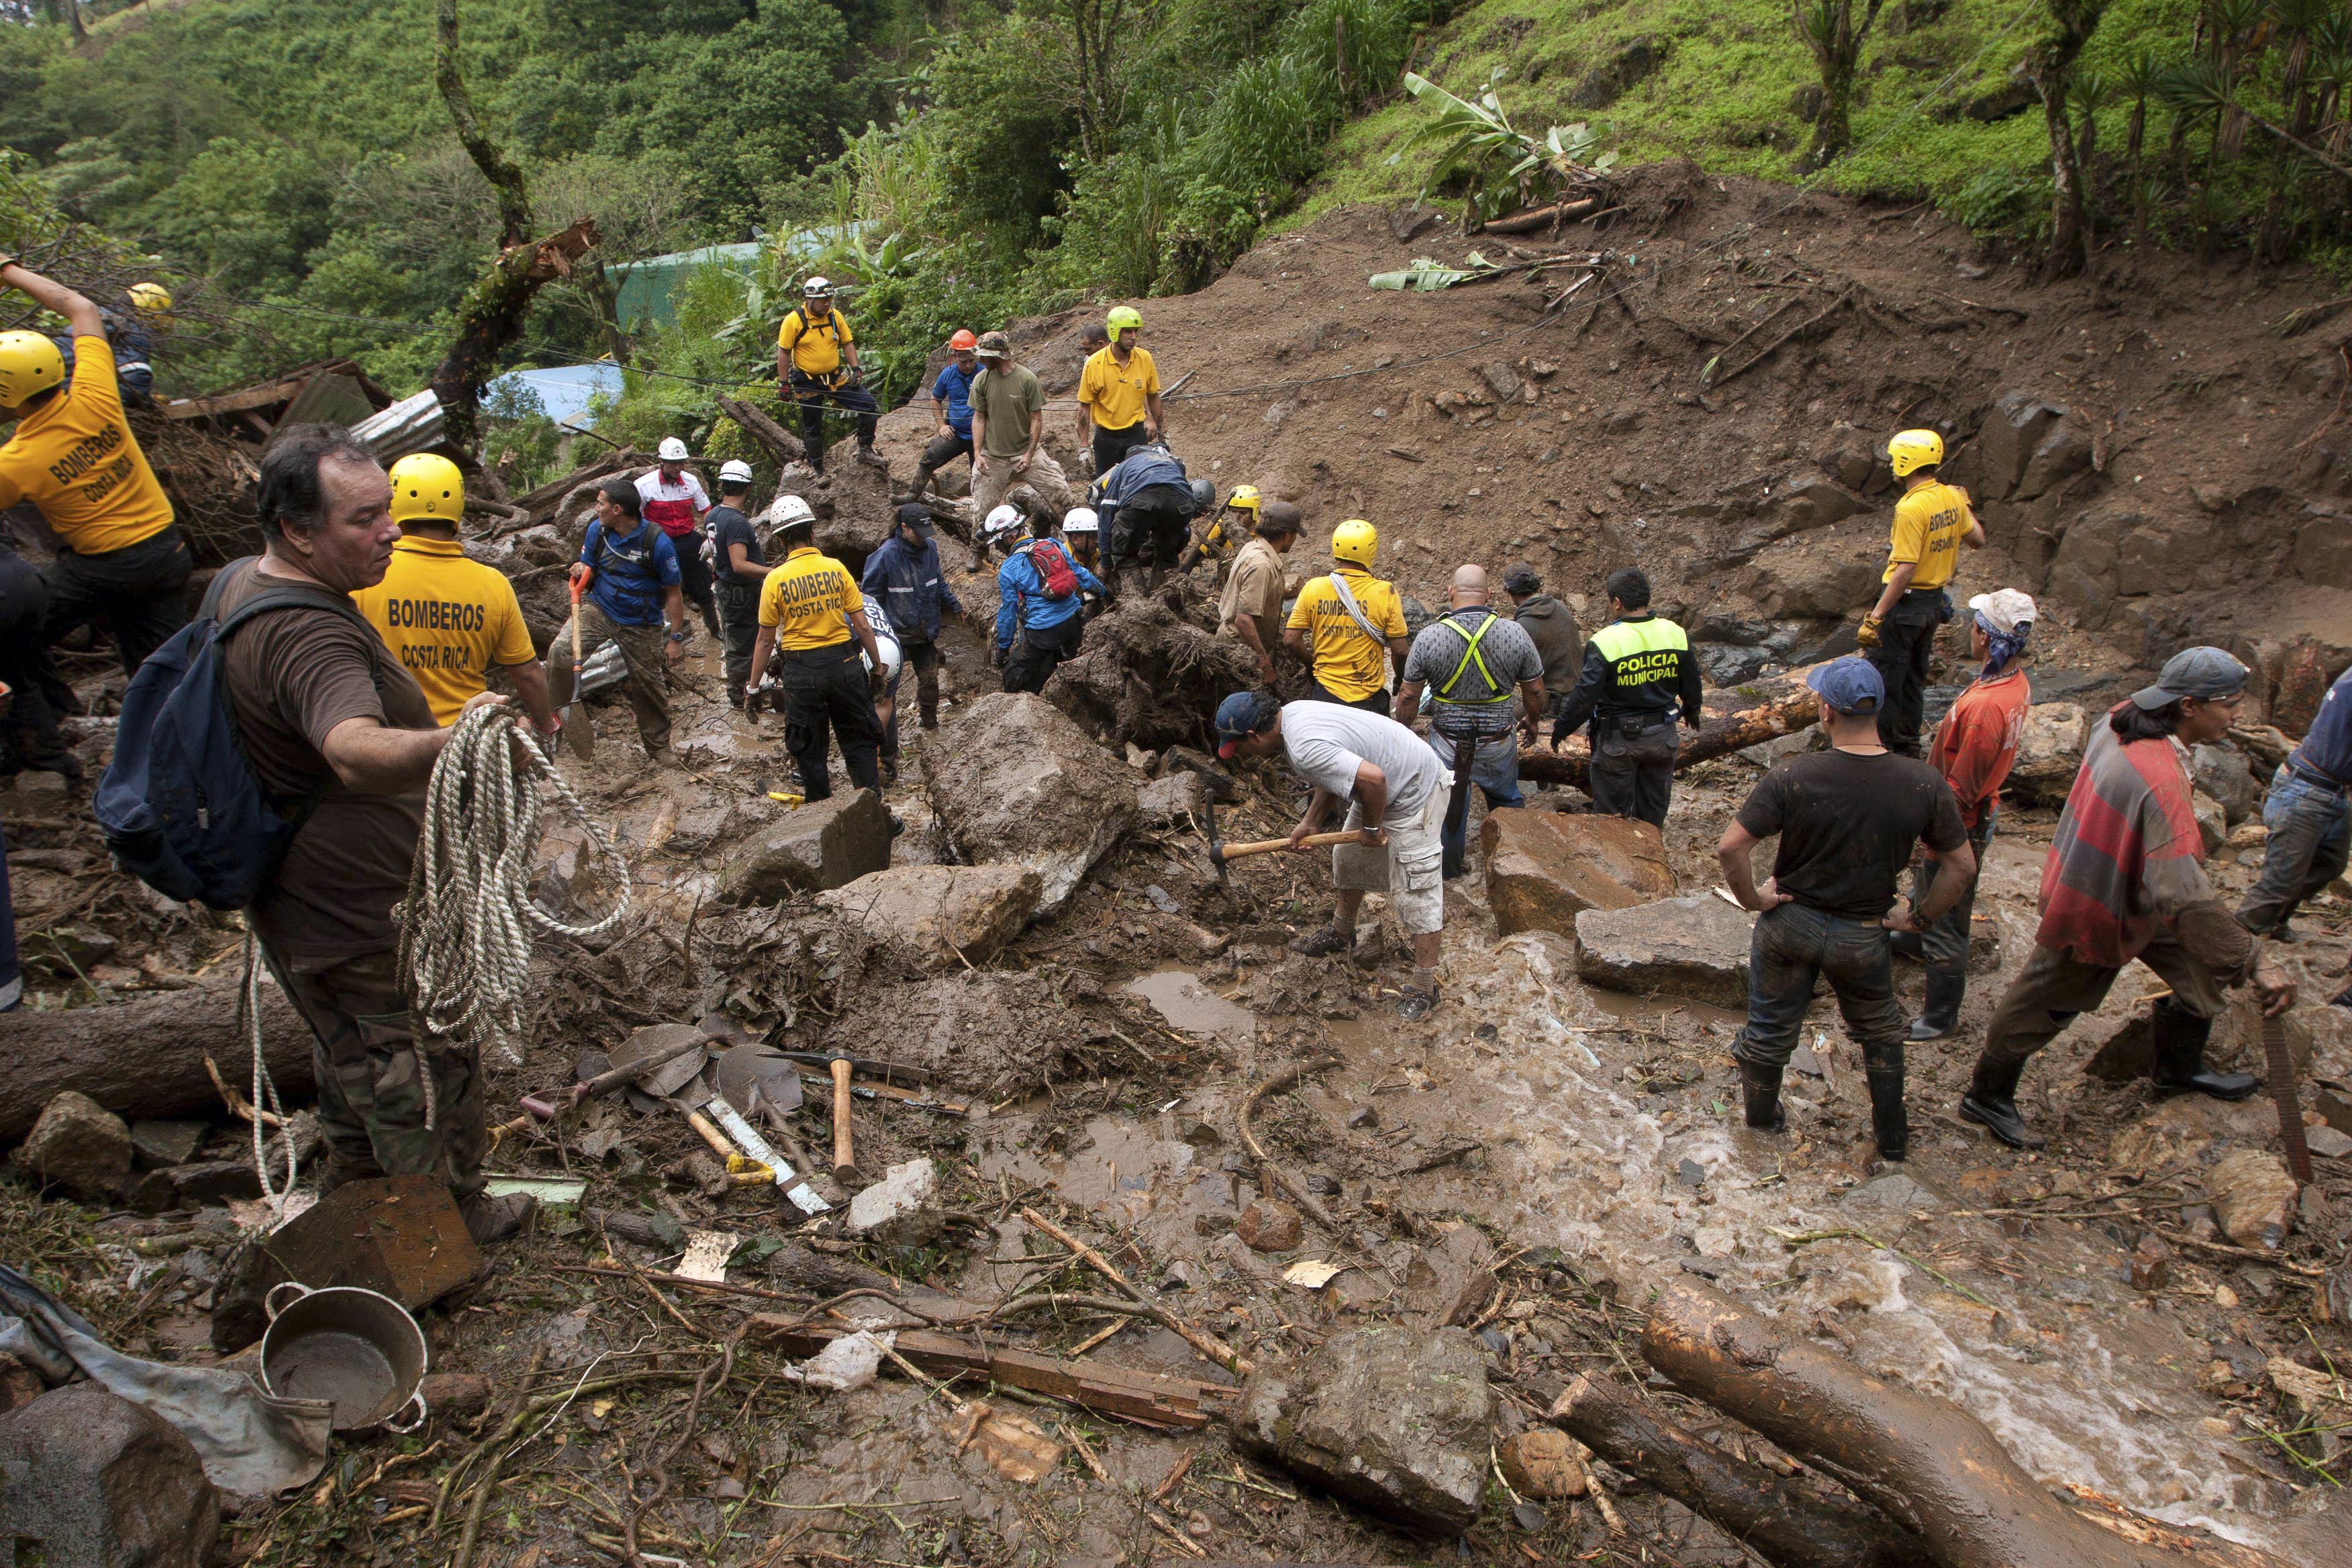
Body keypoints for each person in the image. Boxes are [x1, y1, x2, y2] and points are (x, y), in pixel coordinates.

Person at [222, 424, 531, 1242]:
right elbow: (352, 750)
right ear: (298, 530)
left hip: (305, 904)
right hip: (359, 915)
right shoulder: (309, 633)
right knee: (421, 1070)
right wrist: (455, 736)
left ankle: (358, 1197)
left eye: (388, 511)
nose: (389, 530)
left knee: (352, 1055)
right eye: (364, 518)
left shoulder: (240, 586)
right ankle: (439, 1240)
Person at [1961, 648, 2298, 1148]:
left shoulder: (2122, 718)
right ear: (2188, 706)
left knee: (2202, 969)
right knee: (2043, 1001)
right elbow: (2184, 896)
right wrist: (2255, 959)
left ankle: (2177, 1070)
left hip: (2133, 886)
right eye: (2228, 704)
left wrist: (2230, 955)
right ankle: (1987, 1095)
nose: (2237, 715)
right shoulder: (2158, 779)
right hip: (2096, 899)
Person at [1717, 658, 1975, 1162]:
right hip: (1863, 932)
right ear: (1877, 710)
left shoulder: (1793, 775)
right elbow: (1960, 868)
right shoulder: (1922, 783)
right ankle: (1892, 1140)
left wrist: (1755, 900)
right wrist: (1918, 919)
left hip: (1790, 923)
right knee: (1880, 1031)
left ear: (1826, 711)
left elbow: (1731, 849)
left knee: (1769, 1031)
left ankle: (1761, 1125)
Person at [0, 256, 193, 689]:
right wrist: (8, 271)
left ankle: (41, 726)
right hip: (167, 550)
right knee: (163, 676)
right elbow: (81, 308)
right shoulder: (96, 391)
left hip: (104, 568)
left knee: (15, 625)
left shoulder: (16, 462)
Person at [1216, 691, 1451, 1019]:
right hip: (1388, 783)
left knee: (1417, 890)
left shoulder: (1303, 747)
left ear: (1254, 736)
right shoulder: (1291, 714)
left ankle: (1426, 987)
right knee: (1348, 859)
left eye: (1240, 747)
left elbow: (1373, 779)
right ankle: (1342, 933)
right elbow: (1333, 773)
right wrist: (1310, 821)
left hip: (1416, 790)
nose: (1244, 754)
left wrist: (1370, 829)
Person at [1901, 588, 2036, 1040]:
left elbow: (1961, 788)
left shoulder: (1984, 710)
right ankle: (1911, 935)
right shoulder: (2009, 681)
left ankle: (1939, 1017)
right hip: (1974, 809)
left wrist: (1931, 829)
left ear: (1985, 635)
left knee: (1948, 917)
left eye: (1975, 624)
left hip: (1963, 818)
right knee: (1929, 886)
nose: (1969, 630)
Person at [350, 453, 558, 741]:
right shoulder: (492, 584)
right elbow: (527, 674)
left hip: (391, 743)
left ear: (392, 504)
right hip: (470, 740)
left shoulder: (363, 579)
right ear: (457, 506)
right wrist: (546, 726)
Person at [1396, 565, 1546, 879]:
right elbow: (1534, 688)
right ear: (1489, 595)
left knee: (1449, 808)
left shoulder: (1429, 636)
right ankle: (1519, 868)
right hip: (1498, 740)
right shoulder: (1514, 632)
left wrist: (1404, 730)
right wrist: (1533, 721)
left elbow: (1409, 696)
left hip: (1448, 742)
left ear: (1451, 593)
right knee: (1506, 799)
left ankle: (1449, 874)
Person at [743, 505, 885, 802]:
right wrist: (876, 669)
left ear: (781, 541)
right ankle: (874, 811)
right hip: (844, 667)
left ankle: (821, 819)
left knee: (809, 750)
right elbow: (862, 625)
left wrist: (753, 688)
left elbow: (764, 641)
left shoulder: (775, 580)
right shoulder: (836, 568)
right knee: (859, 742)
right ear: (812, 531)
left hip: (801, 673)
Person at [1859, 429, 1984, 756]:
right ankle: (1909, 747)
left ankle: (1881, 752)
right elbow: (1978, 540)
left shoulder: (1911, 508)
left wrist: (1877, 616)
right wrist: (1964, 507)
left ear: (1905, 463)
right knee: (1914, 680)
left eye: (1893, 460)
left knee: (1885, 681)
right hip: (1933, 605)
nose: (1890, 466)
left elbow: (1904, 569)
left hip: (1907, 605)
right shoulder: (1951, 497)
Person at [1551, 568, 1703, 828]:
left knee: (1613, 822)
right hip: (1662, 737)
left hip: (1619, 742)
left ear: (1617, 602)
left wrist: (1561, 729)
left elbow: (1585, 697)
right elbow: (1692, 682)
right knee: (1652, 818)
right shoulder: (1675, 633)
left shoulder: (1605, 641)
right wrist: (1692, 711)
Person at [544, 479, 685, 758]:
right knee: (559, 654)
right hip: (600, 608)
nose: (596, 509)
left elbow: (674, 594)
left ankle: (659, 748)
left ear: (618, 510)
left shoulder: (657, 543)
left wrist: (675, 639)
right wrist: (581, 569)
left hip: (641, 621)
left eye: (601, 503)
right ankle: (558, 724)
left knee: (649, 684)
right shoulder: (598, 532)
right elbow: (591, 572)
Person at [2237, 658, 2351, 942]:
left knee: (2329, 864)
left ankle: (2274, 923)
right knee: (2279, 883)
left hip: (2331, 790)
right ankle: (2233, 945)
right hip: (2306, 790)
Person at [1283, 520, 1408, 713]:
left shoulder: (1314, 587)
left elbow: (1291, 640)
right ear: (1371, 551)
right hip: (1368, 699)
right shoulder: (1385, 592)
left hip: (1325, 695)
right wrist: (1400, 679)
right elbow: (1400, 651)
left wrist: (1311, 664)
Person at [861, 501, 964, 733]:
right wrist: (875, 633)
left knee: (929, 681)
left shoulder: (930, 549)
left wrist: (954, 606)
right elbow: (870, 599)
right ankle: (882, 735)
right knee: (885, 688)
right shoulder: (885, 555)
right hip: (894, 635)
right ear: (904, 527)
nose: (922, 538)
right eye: (918, 534)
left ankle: (930, 725)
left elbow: (938, 583)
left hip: (924, 631)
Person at [775, 277, 884, 474]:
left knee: (868, 405)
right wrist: (784, 384)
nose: (827, 304)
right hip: (806, 380)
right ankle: (817, 467)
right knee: (813, 425)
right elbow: (783, 352)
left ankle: (865, 449)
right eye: (822, 301)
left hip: (834, 377)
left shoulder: (835, 317)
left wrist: (856, 369)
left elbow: (847, 343)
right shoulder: (794, 321)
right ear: (809, 300)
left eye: (829, 300)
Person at [969, 331, 1073, 527]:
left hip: (1027, 452)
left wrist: (1029, 454)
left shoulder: (1027, 379)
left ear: (998, 356)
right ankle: (978, 553)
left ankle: (1077, 539)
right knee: (981, 512)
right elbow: (979, 418)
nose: (981, 360)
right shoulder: (981, 380)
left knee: (1061, 493)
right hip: (992, 455)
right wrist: (977, 453)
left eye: (984, 355)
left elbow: (1036, 419)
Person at [995, 509, 1103, 695]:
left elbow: (1008, 612)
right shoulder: (1052, 544)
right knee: (1066, 658)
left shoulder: (1008, 568)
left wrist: (1003, 647)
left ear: (1008, 538)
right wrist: (1102, 591)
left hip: (1043, 630)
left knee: (1014, 677)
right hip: (1074, 620)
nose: (997, 549)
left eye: (997, 543)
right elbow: (1080, 574)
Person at [1088, 440, 1206, 597]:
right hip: (1182, 505)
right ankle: (1163, 600)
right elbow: (1179, 510)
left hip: (1142, 500)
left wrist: (1105, 562)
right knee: (1167, 557)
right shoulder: (1171, 463)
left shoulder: (1122, 468)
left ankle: (1140, 601)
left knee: (1125, 555)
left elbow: (1106, 514)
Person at [636, 438, 718, 638]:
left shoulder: (690, 482)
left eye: (681, 463)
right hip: (658, 542)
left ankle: (715, 629)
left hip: (686, 539)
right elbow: (636, 519)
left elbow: (706, 511)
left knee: (702, 585)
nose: (677, 467)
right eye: (673, 463)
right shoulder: (644, 485)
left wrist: (710, 538)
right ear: (661, 462)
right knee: (656, 589)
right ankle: (660, 633)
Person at [1218, 501, 1300, 688]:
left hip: (1241, 645)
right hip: (1240, 650)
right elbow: (1244, 620)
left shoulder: (1254, 547)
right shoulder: (1261, 564)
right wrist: (1263, 664)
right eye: (1295, 535)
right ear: (1287, 535)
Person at [1075, 305, 1163, 477]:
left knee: (1139, 484)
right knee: (1105, 488)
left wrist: (1162, 432)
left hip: (1136, 434)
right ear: (1115, 333)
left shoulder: (1144, 359)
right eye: (1128, 332)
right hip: (1106, 437)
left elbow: (1153, 396)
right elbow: (1084, 406)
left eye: (1136, 332)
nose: (1133, 337)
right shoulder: (1094, 364)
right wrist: (1084, 446)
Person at [709, 462, 770, 707]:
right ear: (748, 488)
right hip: (740, 590)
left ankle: (743, 688)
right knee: (743, 644)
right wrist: (772, 572)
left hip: (726, 587)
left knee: (739, 640)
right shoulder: (735, 522)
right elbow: (739, 564)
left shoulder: (714, 515)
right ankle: (740, 694)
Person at [907, 329, 981, 502]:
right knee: (929, 457)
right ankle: (912, 494)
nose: (968, 365)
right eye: (964, 361)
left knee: (980, 473)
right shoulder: (947, 374)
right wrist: (941, 425)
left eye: (971, 360)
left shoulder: (984, 373)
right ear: (955, 357)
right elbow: (935, 399)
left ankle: (980, 507)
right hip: (956, 432)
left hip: (980, 434)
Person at [1502, 562, 1583, 714]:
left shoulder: (1522, 627)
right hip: (1579, 697)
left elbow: (1509, 676)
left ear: (1510, 592)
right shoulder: (1560, 607)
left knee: (1504, 722)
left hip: (1552, 704)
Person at [1181, 484, 1259, 578]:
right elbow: (1197, 554)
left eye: (1243, 513)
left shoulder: (1262, 533)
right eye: (1233, 512)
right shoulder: (1220, 526)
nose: (1237, 517)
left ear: (1254, 512)